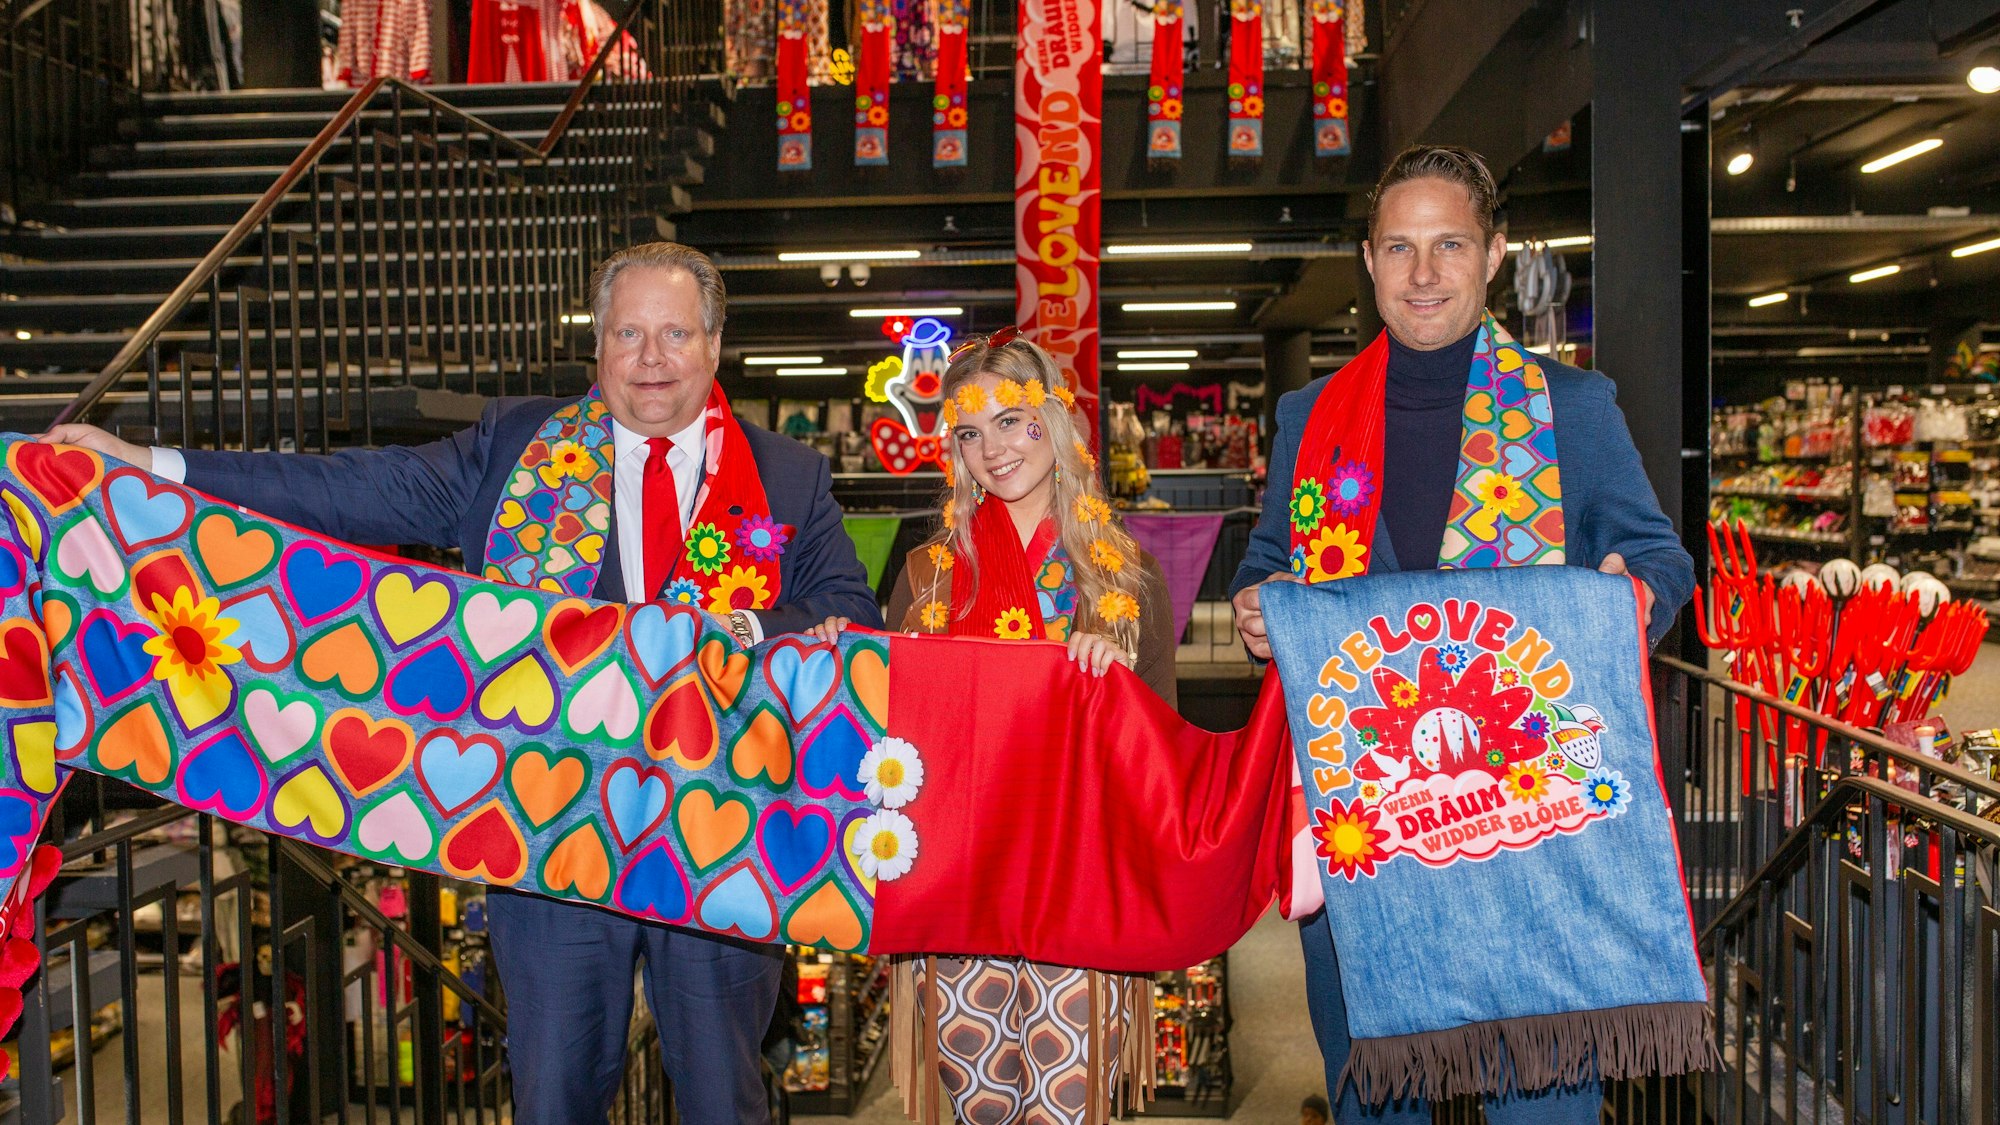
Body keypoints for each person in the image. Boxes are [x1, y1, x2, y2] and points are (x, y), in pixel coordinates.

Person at [42, 240, 883, 1125]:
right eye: (626, 333)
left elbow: (847, 611)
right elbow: (346, 488)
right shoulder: (516, 449)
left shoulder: (786, 474)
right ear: (596, 345)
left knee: (725, 1101)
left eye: (674, 333)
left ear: (715, 344)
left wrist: (741, 628)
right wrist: (152, 467)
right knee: (553, 1099)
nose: (650, 358)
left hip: (722, 842)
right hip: (553, 843)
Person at [1228, 145, 1695, 1123]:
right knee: (1374, 1093)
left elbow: (1660, 556)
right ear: (1367, 261)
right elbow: (1268, 555)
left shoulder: (1572, 410)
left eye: (1448, 245)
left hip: (1528, 831)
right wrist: (1257, 605)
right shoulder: (1310, 418)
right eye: (1398, 248)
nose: (1423, 273)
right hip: (1363, 829)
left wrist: (1624, 597)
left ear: (1492, 255)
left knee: (1544, 1098)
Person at [810, 334, 1176, 1124]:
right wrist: (847, 660)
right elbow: (887, 736)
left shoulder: (1122, 577)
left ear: (1055, 420)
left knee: (1063, 1106)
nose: (993, 450)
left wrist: (1114, 692)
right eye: (970, 434)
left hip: (1078, 890)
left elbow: (1164, 760)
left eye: (1011, 421)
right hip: (958, 891)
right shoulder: (925, 574)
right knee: (980, 1108)